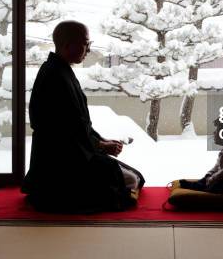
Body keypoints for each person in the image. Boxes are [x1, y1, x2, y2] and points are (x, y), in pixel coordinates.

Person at [22, 20, 144, 213]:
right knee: (130, 180)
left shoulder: (59, 70)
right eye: (86, 43)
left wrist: (101, 141)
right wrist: (100, 146)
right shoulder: (55, 76)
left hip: (75, 152)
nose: (88, 49)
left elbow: (79, 123)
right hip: (61, 162)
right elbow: (63, 132)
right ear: (68, 45)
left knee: (133, 176)